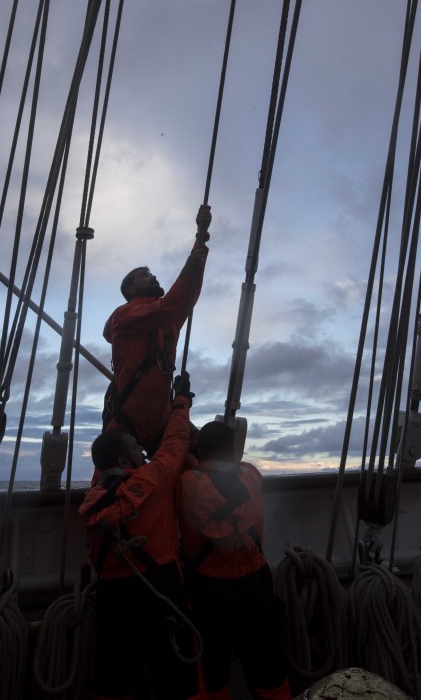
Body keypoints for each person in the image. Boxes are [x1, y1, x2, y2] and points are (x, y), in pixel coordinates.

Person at [79, 373, 200, 700]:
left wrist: (116, 416)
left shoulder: (95, 496)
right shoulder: (155, 478)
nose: (143, 451)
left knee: (114, 679)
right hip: (160, 587)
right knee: (177, 679)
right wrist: (181, 401)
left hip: (113, 595)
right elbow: (176, 442)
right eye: (136, 447)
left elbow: (104, 455)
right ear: (123, 459)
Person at [177, 421, 292, 700]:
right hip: (254, 584)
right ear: (232, 449)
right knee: (268, 668)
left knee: (211, 671)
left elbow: (194, 468)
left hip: (208, 591)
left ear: (200, 449)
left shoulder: (187, 483)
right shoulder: (252, 475)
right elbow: (226, 466)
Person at [102, 204, 211, 453]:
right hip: (125, 418)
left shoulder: (168, 318)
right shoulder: (125, 315)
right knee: (112, 481)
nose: (152, 276)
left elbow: (186, 294)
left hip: (160, 418)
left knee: (197, 459)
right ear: (130, 290)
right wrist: (191, 263)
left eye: (151, 273)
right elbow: (171, 305)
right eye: (144, 275)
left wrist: (200, 237)